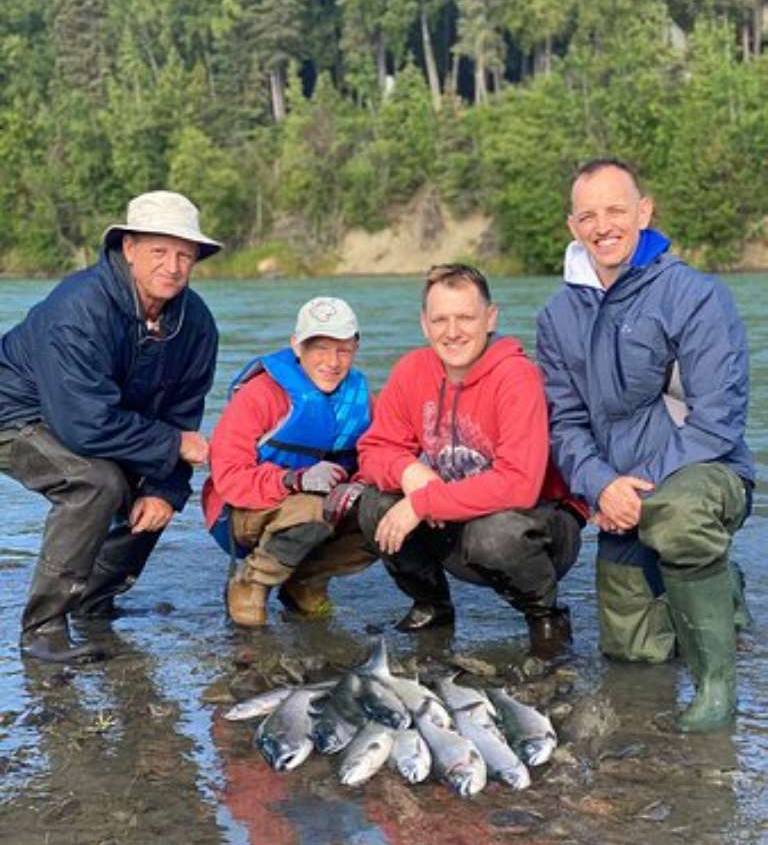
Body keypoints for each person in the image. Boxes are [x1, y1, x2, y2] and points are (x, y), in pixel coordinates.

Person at [536, 157, 754, 732]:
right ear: (572, 226)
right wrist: (602, 486)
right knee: (634, 652)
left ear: (644, 212)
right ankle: (720, 590)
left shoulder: (696, 295)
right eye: (589, 215)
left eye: (616, 210)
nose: (603, 225)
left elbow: (717, 421)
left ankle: (716, 688)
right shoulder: (557, 316)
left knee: (677, 520)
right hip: (617, 496)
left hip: (704, 475)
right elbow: (565, 423)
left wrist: (638, 489)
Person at [0, 191, 220, 663]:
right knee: (95, 482)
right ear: (129, 249)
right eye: (159, 251)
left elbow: (183, 415)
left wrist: (164, 489)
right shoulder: (78, 308)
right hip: (13, 413)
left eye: (185, 254)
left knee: (155, 490)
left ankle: (93, 603)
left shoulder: (196, 323)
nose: (173, 266)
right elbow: (84, 425)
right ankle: (42, 630)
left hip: (100, 418)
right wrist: (171, 446)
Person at [356, 263, 586, 654]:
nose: (453, 331)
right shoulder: (412, 370)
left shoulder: (517, 376)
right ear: (424, 324)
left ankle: (546, 616)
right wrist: (407, 469)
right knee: (373, 505)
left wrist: (423, 502)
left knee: (493, 536)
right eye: (440, 319)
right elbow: (372, 450)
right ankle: (432, 606)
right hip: (453, 518)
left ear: (490, 318)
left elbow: (519, 485)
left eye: (465, 317)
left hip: (537, 526)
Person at [202, 296, 375, 627]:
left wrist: (361, 484)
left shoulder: (362, 399)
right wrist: (293, 479)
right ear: (297, 346)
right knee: (311, 510)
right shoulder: (259, 396)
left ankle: (304, 581)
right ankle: (251, 583)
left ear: (356, 347)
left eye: (343, 349)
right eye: (320, 348)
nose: (332, 361)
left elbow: (383, 450)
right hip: (240, 512)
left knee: (385, 512)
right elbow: (229, 475)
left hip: (322, 505)